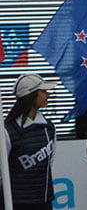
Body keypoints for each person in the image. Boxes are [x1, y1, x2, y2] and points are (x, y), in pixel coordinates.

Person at [3, 74, 57, 209]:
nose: (47, 95)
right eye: (43, 92)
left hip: (44, 202)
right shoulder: (7, 131)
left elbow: (48, 164)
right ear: (31, 95)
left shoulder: (49, 128)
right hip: (16, 203)